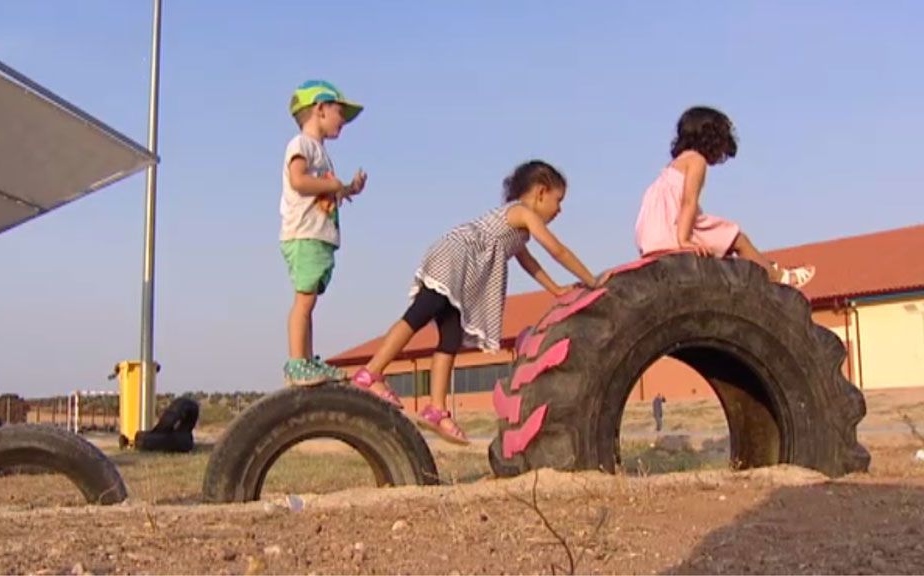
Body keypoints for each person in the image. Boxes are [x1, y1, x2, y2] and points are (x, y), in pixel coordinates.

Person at [350, 161, 602, 444]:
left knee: (451, 336)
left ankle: (436, 409)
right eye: (559, 201)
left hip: (462, 265)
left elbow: (530, 264)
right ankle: (371, 371)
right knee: (419, 314)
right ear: (541, 192)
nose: (560, 210)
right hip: (455, 259)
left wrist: (556, 289)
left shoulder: (518, 229)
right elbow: (556, 250)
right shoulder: (521, 212)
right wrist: (591, 280)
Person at [634, 106, 815, 288]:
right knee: (737, 238)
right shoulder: (696, 161)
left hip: (652, 240)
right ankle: (778, 277)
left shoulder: (671, 167)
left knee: (722, 248)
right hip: (674, 234)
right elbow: (688, 202)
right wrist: (684, 241)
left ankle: (763, 268)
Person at [280, 80, 368, 386]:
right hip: (305, 235)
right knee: (303, 302)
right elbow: (298, 180)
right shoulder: (301, 144)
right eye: (339, 112)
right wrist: (332, 185)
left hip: (318, 237)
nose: (343, 120)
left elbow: (327, 192)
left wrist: (348, 188)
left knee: (309, 302)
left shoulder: (320, 151)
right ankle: (296, 362)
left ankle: (307, 360)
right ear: (319, 109)